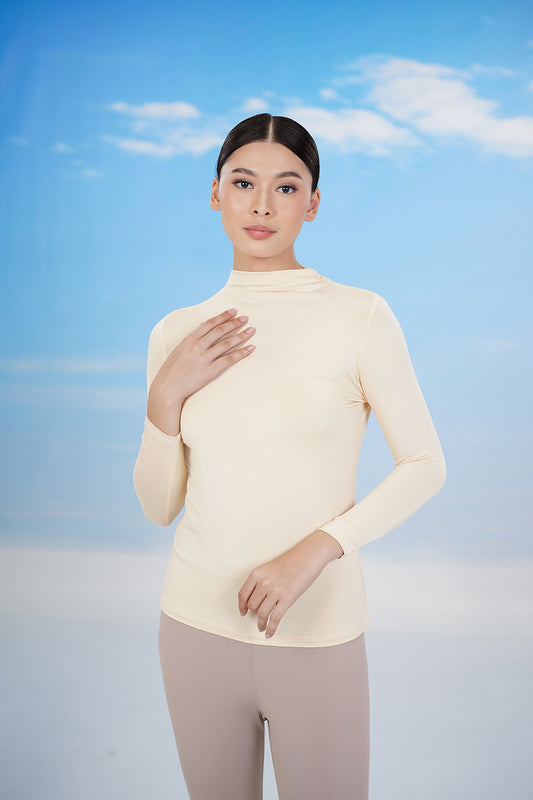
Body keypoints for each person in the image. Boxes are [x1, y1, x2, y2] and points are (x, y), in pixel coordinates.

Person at [132, 113, 446, 799]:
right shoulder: (176, 334)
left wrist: (315, 551)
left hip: (316, 632)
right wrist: (164, 400)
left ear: (313, 203)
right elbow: (158, 507)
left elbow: (425, 464)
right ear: (215, 192)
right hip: (193, 628)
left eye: (286, 186)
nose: (262, 206)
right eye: (244, 183)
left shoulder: (359, 317)